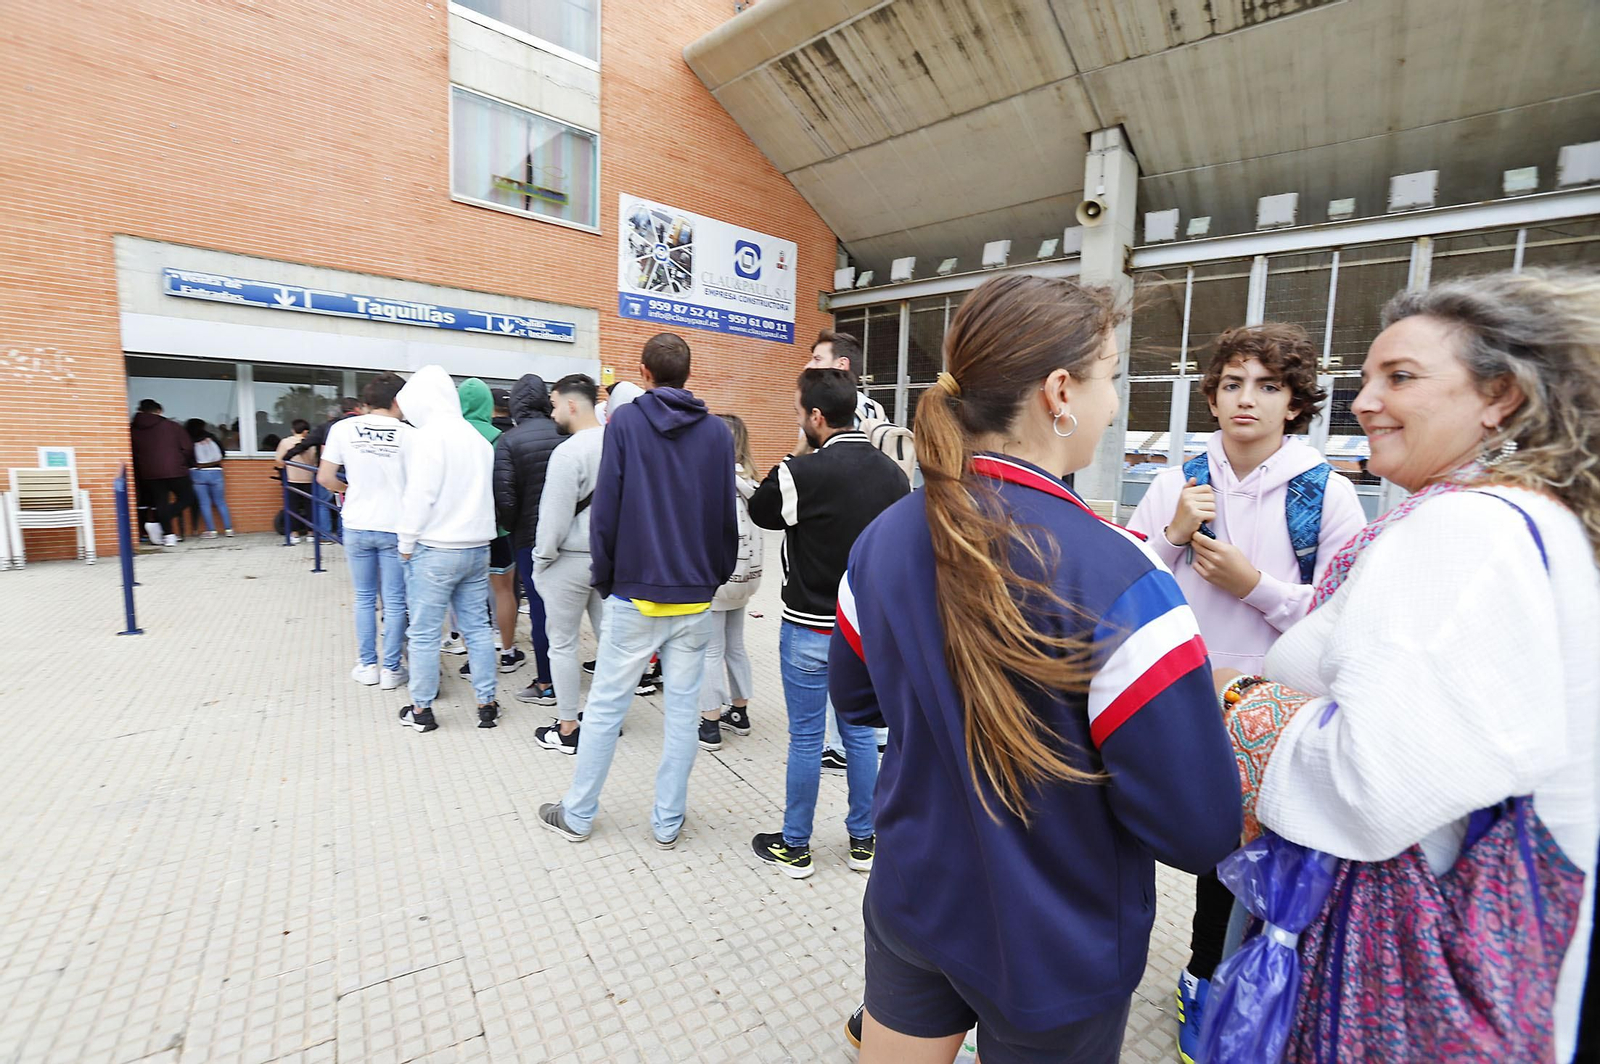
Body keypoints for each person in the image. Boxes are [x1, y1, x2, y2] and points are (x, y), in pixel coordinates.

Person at [831, 275, 1241, 1062]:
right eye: (1112, 377)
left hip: (914, 896)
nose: (1114, 404)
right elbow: (1199, 828)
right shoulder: (1119, 577)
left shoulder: (881, 539)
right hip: (1058, 937)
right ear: (1061, 392)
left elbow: (859, 700)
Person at [1210, 270, 1599, 1063]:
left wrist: (1237, 700)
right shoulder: (1516, 516)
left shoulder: (1463, 531)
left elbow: (1379, 778)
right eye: (1365, 379)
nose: (1364, 401)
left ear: (1500, 397)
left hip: (1397, 942)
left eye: (1402, 377)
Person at [1124, 324, 1366, 1061]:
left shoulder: (1328, 495)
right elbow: (1126, 581)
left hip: (1263, 716)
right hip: (1171, 698)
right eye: (1232, 384)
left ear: (1295, 402)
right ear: (1212, 394)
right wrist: (1171, 534)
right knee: (1129, 829)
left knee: (1228, 861)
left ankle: (1205, 976)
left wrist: (1254, 588)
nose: (1246, 400)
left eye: (1267, 385)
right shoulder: (1178, 481)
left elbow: (1343, 618)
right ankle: (1103, 962)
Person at [536, 333, 738, 847]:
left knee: (605, 707)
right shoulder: (717, 434)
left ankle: (579, 814)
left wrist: (607, 577)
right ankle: (667, 822)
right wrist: (714, 575)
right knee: (682, 712)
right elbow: (724, 514)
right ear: (686, 375)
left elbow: (608, 510)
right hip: (694, 595)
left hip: (633, 592)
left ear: (644, 374)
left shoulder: (624, 421)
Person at [747, 368, 910, 878]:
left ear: (817, 417)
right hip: (864, 632)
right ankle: (864, 840)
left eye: (802, 414)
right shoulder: (894, 476)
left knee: (805, 736)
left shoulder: (802, 472)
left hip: (807, 625)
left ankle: (796, 846)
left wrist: (795, 453)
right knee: (861, 736)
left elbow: (761, 512)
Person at [803, 329, 893, 769]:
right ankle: (859, 739)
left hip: (849, 543)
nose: (810, 364)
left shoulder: (853, 413)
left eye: (817, 358)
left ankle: (853, 742)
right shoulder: (870, 408)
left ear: (840, 365)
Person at [393, 365, 501, 733]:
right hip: (477, 547)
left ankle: (421, 710)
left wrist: (406, 542)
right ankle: (487, 704)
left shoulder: (427, 438)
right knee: (478, 628)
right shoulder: (477, 439)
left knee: (424, 633)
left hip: (436, 549)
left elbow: (419, 496)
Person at [528, 374, 607, 752]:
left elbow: (554, 519)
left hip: (569, 559)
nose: (554, 411)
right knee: (610, 644)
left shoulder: (569, 452)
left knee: (563, 645)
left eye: (556, 403)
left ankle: (567, 728)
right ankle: (605, 720)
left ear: (572, 404)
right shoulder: (623, 445)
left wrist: (541, 561)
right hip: (611, 559)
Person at [319, 371, 410, 691]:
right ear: (398, 401)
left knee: (364, 598)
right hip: (395, 526)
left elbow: (325, 478)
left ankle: (367, 665)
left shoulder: (343, 429)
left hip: (357, 522)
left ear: (367, 401)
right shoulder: (408, 434)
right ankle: (391, 668)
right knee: (396, 602)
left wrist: (349, 488)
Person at [493, 374, 563, 698]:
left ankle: (547, 682)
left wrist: (513, 527)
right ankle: (570, 674)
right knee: (571, 608)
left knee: (539, 609)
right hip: (569, 536)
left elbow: (505, 499)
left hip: (529, 539)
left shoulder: (509, 440)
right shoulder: (566, 433)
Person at [701, 413, 764, 748]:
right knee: (735, 646)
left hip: (717, 576)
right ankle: (739, 712)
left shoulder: (713, 481)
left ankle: (709, 724)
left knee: (710, 651)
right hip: (746, 579)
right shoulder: (751, 480)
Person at [460, 378, 525, 674]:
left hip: (459, 531)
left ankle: (473, 656)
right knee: (504, 591)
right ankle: (508, 652)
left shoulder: (450, 435)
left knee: (466, 595)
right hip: (497, 528)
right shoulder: (500, 438)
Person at [129, 399, 195, 547]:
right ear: (158, 411)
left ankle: (169, 535)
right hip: (175, 470)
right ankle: (157, 522)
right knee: (188, 497)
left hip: (149, 473)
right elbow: (187, 448)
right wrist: (181, 462)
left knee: (161, 502)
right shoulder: (172, 426)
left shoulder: (133, 429)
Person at [806, 329, 885, 423]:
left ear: (841, 364)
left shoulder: (831, 412)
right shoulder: (876, 409)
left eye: (817, 359)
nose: (808, 366)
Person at [183, 418, 233, 539]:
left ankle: (211, 531)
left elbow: (187, 457)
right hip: (216, 472)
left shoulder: (188, 439)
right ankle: (229, 529)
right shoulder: (212, 437)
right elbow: (223, 453)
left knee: (204, 503)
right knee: (220, 502)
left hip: (198, 473)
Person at [274, 419, 317, 544]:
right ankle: (311, 533)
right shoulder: (311, 443)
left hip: (291, 479)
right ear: (306, 431)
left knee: (292, 507)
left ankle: (294, 534)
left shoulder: (285, 442)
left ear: (293, 430)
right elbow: (314, 462)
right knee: (310, 506)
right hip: (309, 479)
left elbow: (279, 460)